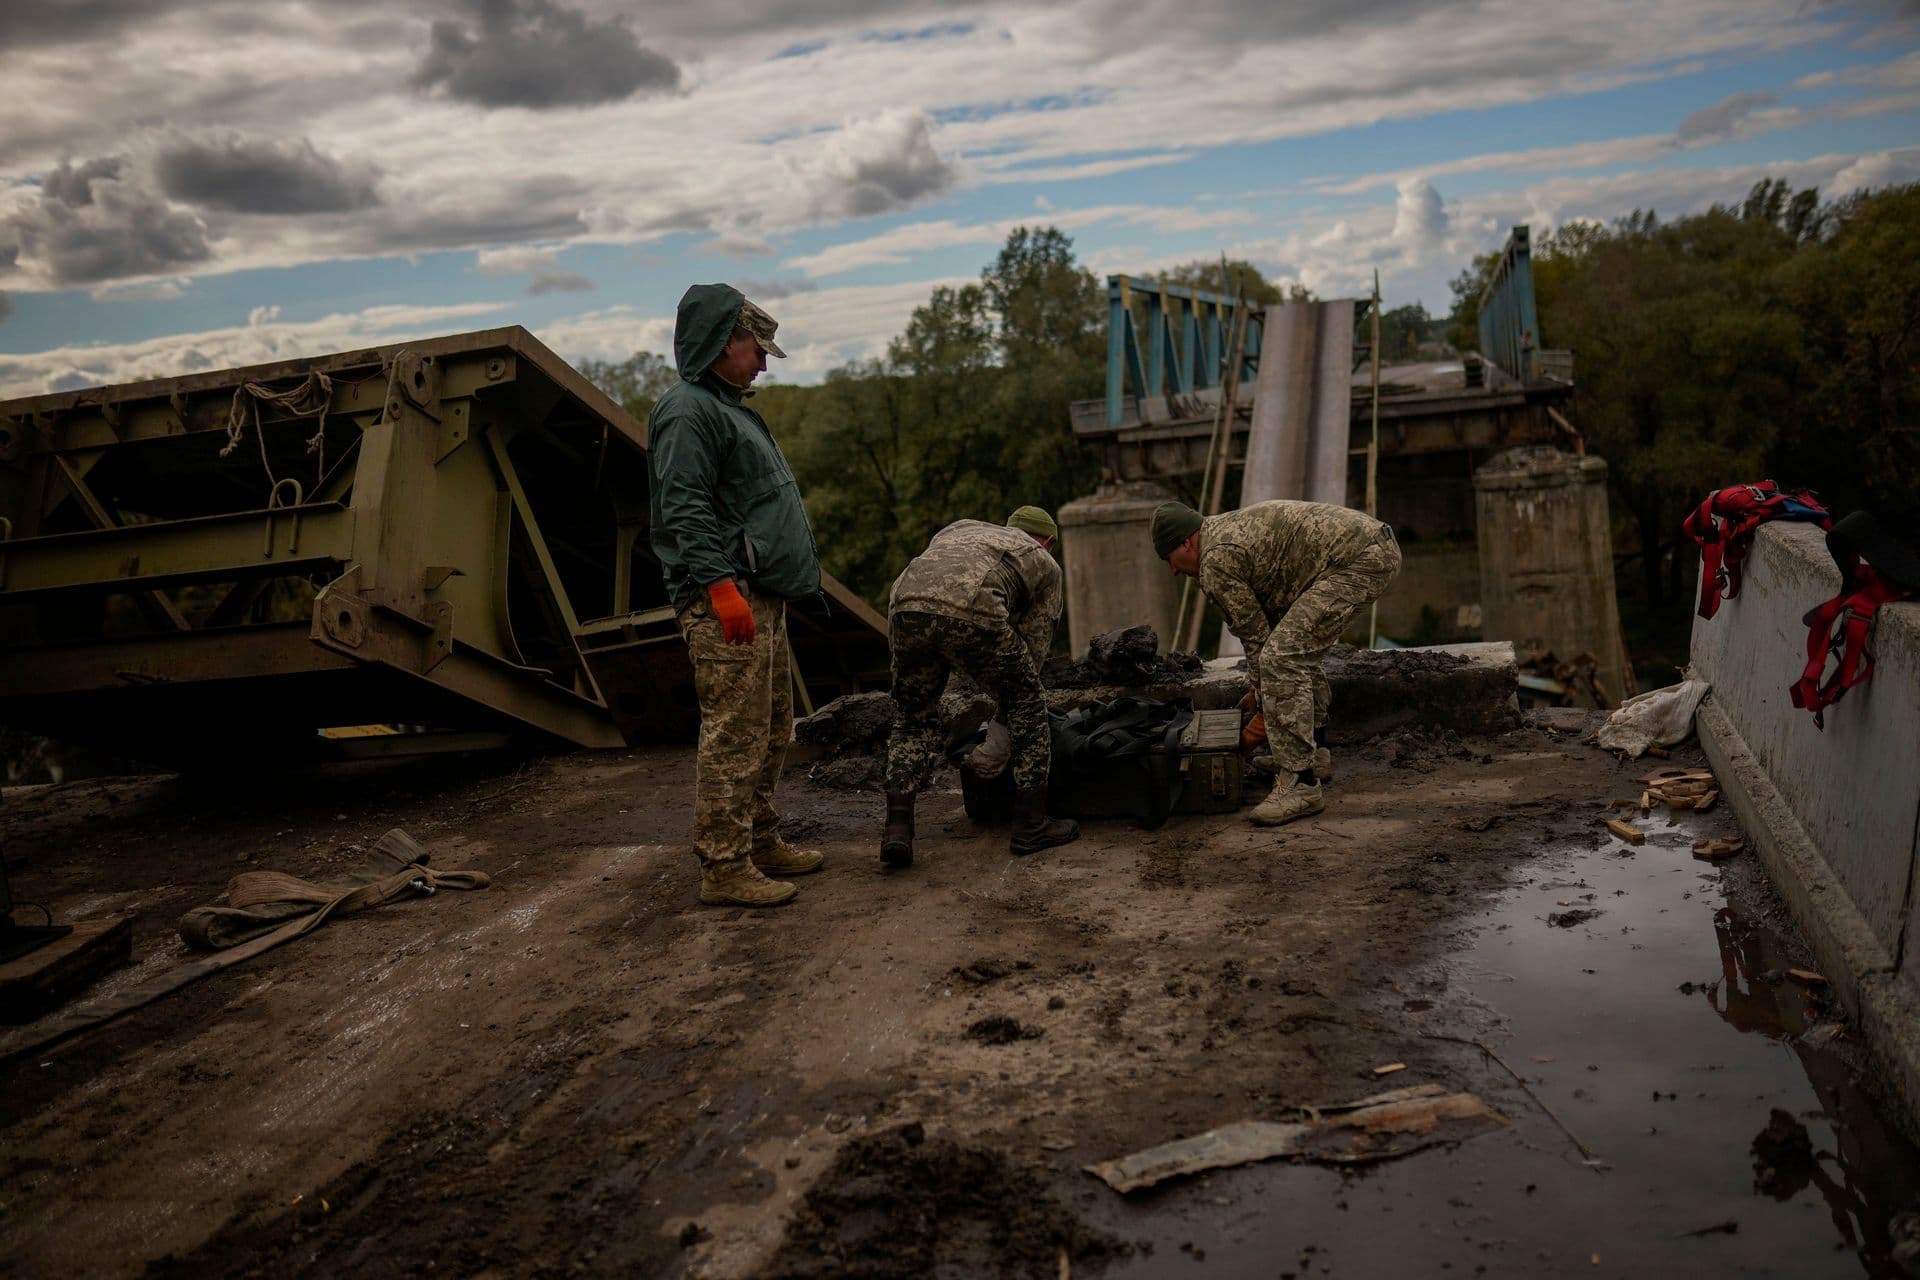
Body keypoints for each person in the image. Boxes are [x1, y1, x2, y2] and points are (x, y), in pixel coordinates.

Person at [648, 284, 824, 908]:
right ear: (724, 341)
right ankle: (723, 865)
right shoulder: (688, 411)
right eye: (757, 348)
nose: (765, 362)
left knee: (773, 728)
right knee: (735, 733)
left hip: (759, 598)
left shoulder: (727, 406)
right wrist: (720, 587)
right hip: (726, 600)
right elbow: (684, 507)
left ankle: (758, 840)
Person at [1151, 499, 1401, 826]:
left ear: (1186, 542)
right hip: (1368, 547)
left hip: (1360, 560)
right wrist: (1260, 695)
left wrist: (1263, 712)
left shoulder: (1215, 561)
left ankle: (1301, 782)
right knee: (1291, 647)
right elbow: (1265, 627)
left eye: (1169, 558)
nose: (1172, 570)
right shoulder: (1218, 534)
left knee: (1282, 657)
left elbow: (1257, 641)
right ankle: (1316, 752)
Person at [881, 507, 1079, 867]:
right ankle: (1031, 826)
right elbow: (1033, 654)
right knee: (1028, 703)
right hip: (973, 606)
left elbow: (937, 586)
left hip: (904, 603)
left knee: (911, 717)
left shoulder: (961, 528)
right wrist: (1005, 715)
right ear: (1048, 542)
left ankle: (897, 829)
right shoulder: (1045, 564)